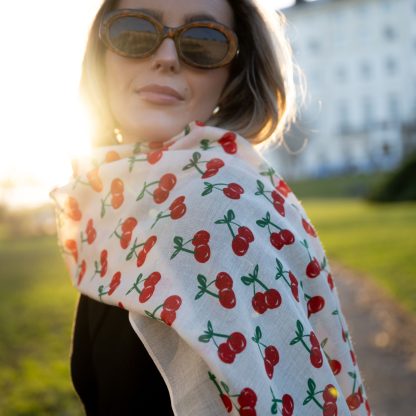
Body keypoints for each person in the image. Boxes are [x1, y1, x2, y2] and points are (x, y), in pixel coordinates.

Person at [50, 0, 374, 415]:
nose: (166, 57)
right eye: (135, 32)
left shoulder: (221, 205)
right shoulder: (113, 209)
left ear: (234, 74)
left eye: (203, 42)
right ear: (101, 53)